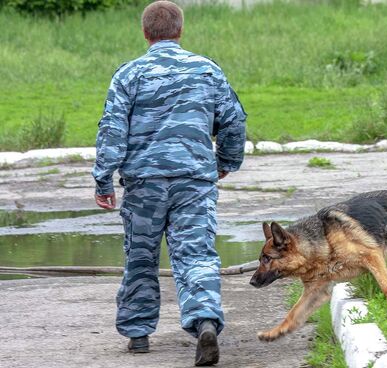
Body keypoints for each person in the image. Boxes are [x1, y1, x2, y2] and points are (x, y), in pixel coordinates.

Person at [91, 1, 246, 366]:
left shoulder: (129, 74)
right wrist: (226, 162)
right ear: (180, 30)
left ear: (145, 33)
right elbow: (233, 121)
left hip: (144, 183)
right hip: (194, 181)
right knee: (196, 254)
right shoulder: (207, 70)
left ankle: (139, 333)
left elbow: (112, 131)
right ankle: (205, 320)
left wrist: (103, 180)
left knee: (141, 257)